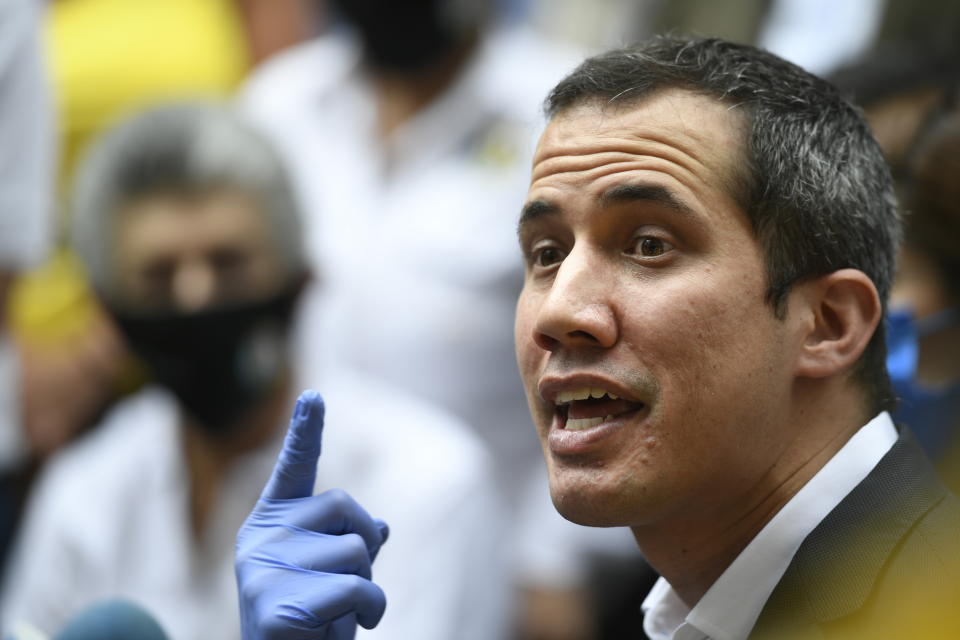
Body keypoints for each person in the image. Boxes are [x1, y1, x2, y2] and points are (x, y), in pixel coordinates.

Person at [235, 35, 960, 640]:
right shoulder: (707, 606)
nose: (559, 311)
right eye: (546, 254)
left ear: (829, 324)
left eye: (648, 244)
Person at [0, 103, 509, 640]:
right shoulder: (87, 490)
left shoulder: (428, 481)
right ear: (110, 314)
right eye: (158, 275)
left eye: (228, 263)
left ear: (301, 278)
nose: (195, 297)